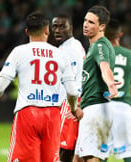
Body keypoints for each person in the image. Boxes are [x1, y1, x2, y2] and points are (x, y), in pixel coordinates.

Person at [0, 11, 83, 162]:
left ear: (27, 31)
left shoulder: (19, 52)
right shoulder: (60, 55)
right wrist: (74, 108)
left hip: (27, 113)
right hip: (52, 116)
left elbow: (0, 86)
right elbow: (72, 92)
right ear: (47, 30)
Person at [74, 5, 119, 162]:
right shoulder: (96, 46)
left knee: (91, 158)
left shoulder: (100, 45)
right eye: (85, 20)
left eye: (91, 22)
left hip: (96, 109)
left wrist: (111, 84)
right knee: (78, 158)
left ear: (102, 27)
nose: (86, 24)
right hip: (92, 107)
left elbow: (104, 66)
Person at [102, 18, 131, 162]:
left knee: (101, 153)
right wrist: (124, 96)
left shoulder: (99, 54)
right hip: (123, 107)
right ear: (120, 35)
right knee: (127, 153)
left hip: (103, 106)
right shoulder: (130, 55)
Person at [50, 13, 85, 162]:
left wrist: (75, 104)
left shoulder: (72, 49)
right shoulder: (67, 47)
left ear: (70, 28)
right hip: (67, 102)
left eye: (62, 27)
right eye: (55, 27)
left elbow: (77, 79)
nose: (58, 30)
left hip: (70, 103)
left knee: (64, 149)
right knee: (68, 150)